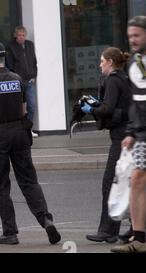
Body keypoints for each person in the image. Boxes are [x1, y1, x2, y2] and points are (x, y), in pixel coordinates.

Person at [0, 42, 61, 245]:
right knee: (29, 181)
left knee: (0, 186)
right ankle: (46, 220)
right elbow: (23, 111)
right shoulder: (17, 78)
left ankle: (10, 232)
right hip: (19, 134)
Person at [80, 48, 131, 244]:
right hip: (127, 135)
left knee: (110, 183)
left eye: (102, 61)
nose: (100, 64)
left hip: (121, 138)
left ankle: (108, 231)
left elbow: (108, 108)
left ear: (110, 62)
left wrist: (91, 108)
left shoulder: (112, 80)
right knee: (127, 184)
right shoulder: (123, 79)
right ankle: (132, 228)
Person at [111, 16, 146, 253]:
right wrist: (132, 132)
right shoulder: (134, 63)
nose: (132, 40)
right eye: (130, 36)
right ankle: (139, 239)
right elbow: (137, 102)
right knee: (137, 179)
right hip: (143, 133)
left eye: (137, 35)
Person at [6, 26, 39, 138]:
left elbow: (34, 62)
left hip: (29, 81)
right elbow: (9, 65)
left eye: (23, 35)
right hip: (18, 82)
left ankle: (27, 129)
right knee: (18, 107)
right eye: (19, 35)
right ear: (16, 35)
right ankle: (18, 129)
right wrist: (14, 78)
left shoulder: (30, 45)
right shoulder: (11, 46)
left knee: (31, 106)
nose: (21, 37)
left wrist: (34, 75)